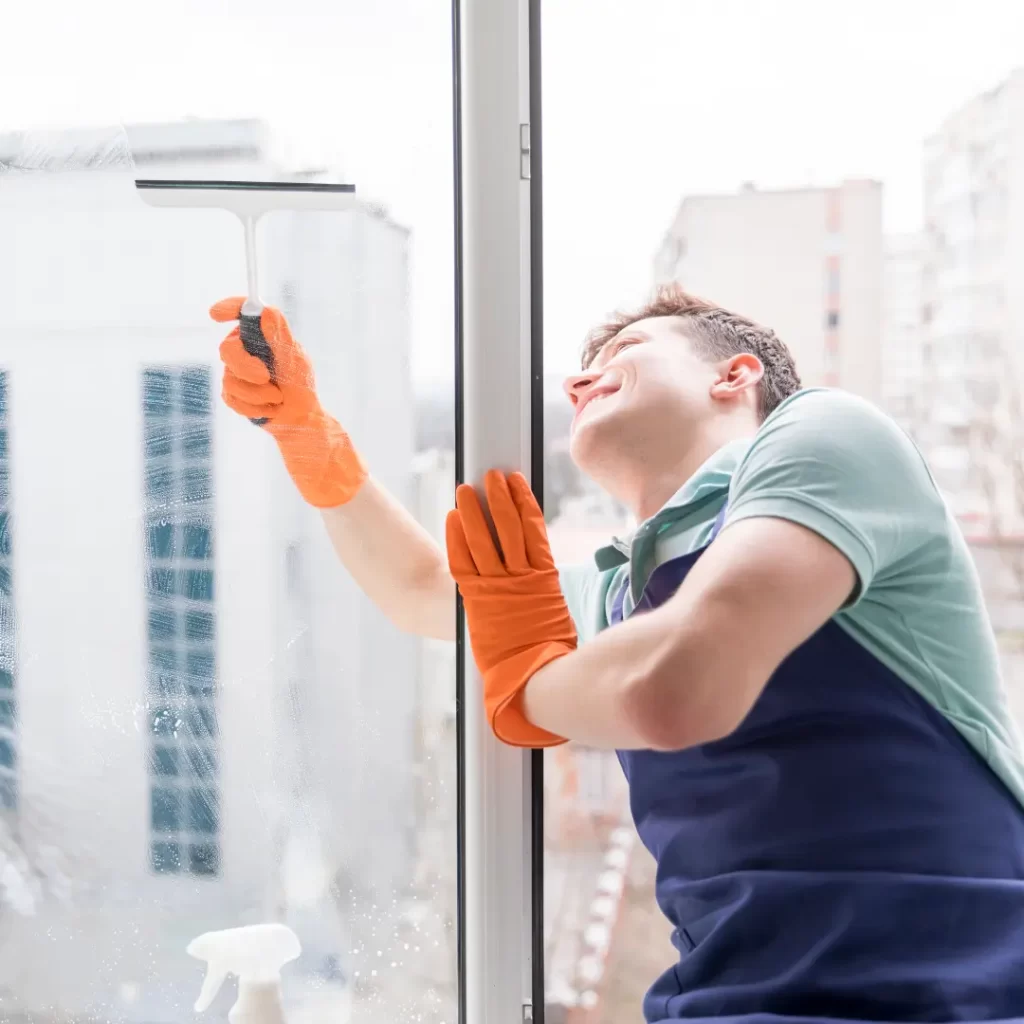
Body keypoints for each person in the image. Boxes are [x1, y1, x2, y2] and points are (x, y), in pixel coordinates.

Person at [212, 287, 1024, 1022]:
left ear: (734, 376)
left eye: (623, 355)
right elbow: (423, 589)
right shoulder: (622, 597)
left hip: (949, 990)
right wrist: (305, 434)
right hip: (729, 1001)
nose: (579, 382)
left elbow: (675, 686)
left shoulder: (827, 437)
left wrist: (526, 675)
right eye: (578, 376)